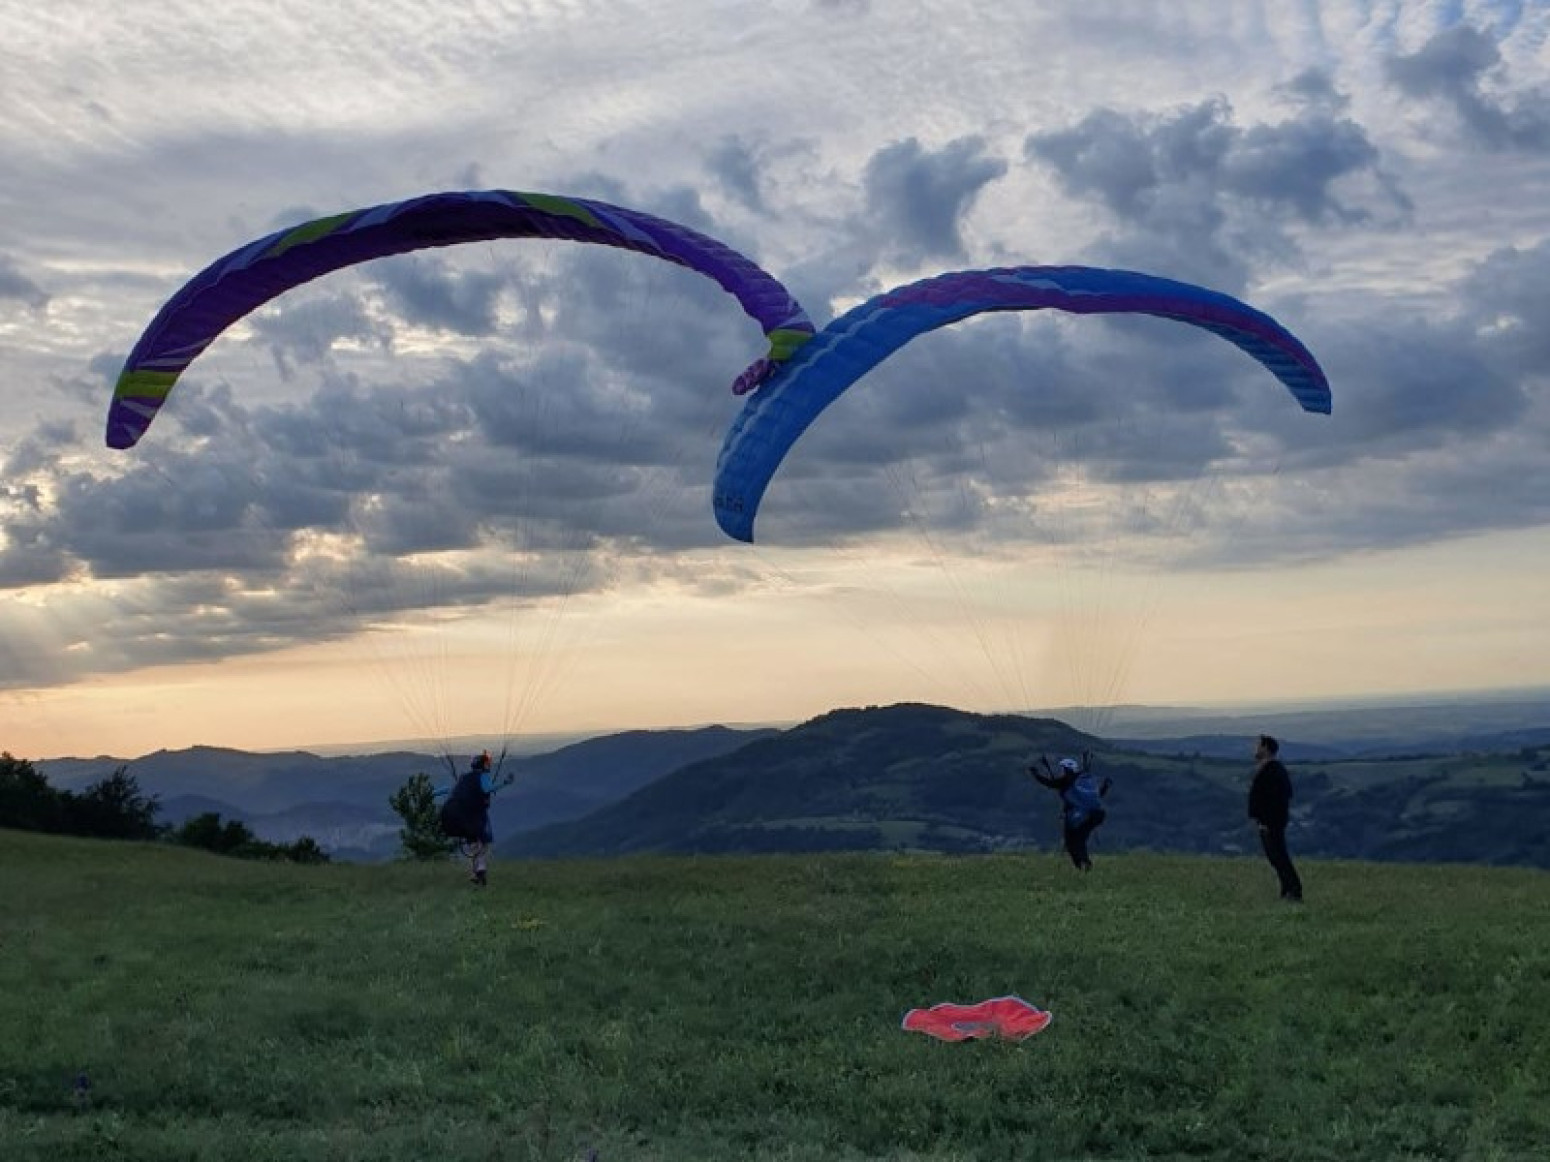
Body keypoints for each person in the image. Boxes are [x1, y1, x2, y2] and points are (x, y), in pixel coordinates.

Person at [1029, 750, 1113, 871]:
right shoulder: (1085, 780)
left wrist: (1036, 774)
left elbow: (1050, 783)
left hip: (1077, 817)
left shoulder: (1067, 780)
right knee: (1080, 840)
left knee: (1073, 842)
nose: (1062, 772)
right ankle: (1084, 866)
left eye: (1063, 769)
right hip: (1095, 815)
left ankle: (1083, 866)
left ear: (1066, 769)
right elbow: (1097, 795)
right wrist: (1105, 786)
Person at [1248, 734, 1302, 902]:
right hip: (1269, 822)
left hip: (1271, 823)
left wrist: (1267, 820)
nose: (1254, 749)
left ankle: (1293, 891)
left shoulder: (1273, 770)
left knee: (1279, 857)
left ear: (1265, 748)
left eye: (1257, 745)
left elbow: (1277, 798)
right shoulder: (1271, 769)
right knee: (1275, 858)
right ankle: (1287, 891)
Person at [437, 750, 501, 887]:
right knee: (483, 843)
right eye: (486, 763)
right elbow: (487, 789)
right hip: (476, 815)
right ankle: (481, 869)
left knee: (473, 844)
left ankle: (475, 873)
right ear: (483, 765)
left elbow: (451, 790)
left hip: (463, 817)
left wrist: (434, 792)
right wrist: (505, 783)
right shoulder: (482, 777)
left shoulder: (464, 778)